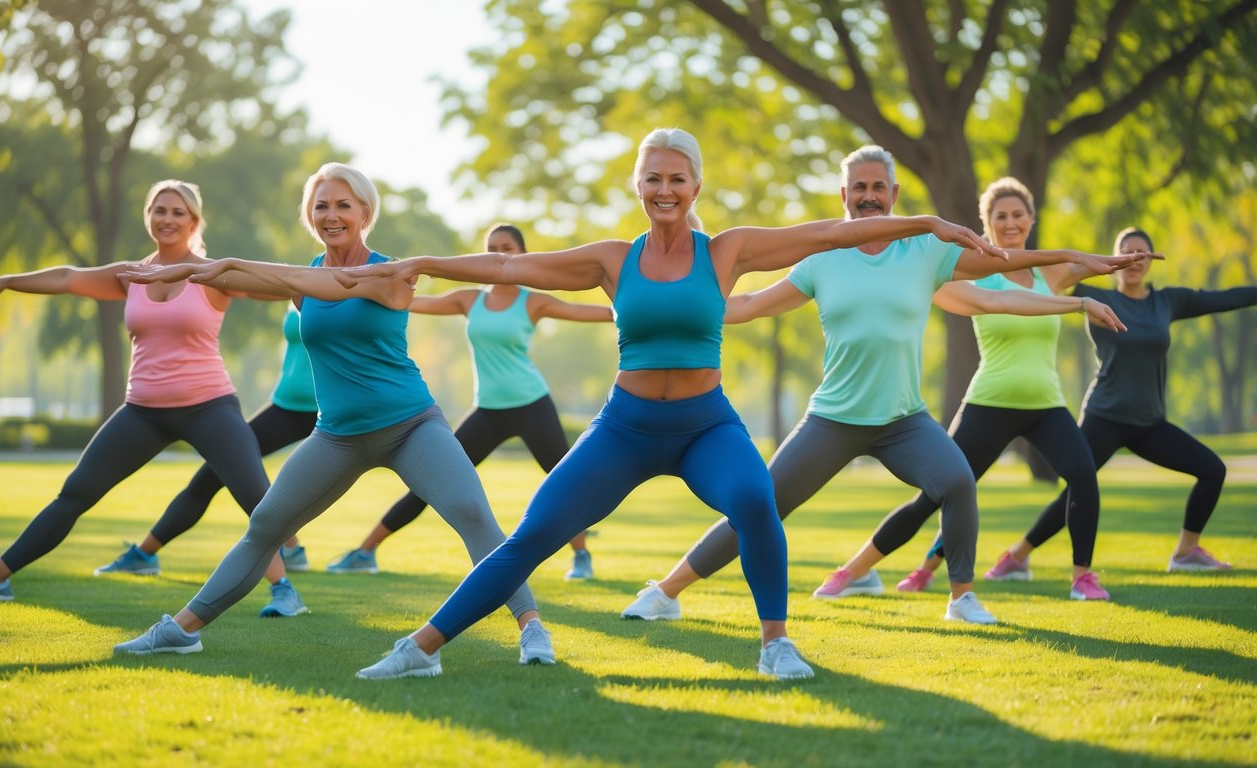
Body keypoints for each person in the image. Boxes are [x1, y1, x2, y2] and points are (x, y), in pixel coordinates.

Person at [347, 129, 1008, 682]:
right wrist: (428, 262)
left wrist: (924, 222)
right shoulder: (612, 259)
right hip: (626, 428)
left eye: (676, 179)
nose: (664, 191)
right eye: (652, 179)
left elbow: (830, 233)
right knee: (533, 534)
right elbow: (507, 271)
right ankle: (420, 650)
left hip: (704, 426)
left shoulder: (727, 251)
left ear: (695, 188)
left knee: (754, 498)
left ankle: (774, 643)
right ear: (638, 187)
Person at [618, 146, 1144, 626]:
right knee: (758, 505)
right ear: (843, 197)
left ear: (893, 196)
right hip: (834, 419)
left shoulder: (923, 252)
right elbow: (752, 305)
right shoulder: (822, 258)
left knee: (958, 482)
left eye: (878, 188)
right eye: (858, 189)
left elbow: (1002, 274)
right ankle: (666, 591)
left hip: (903, 420)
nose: (869, 197)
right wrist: (669, 308)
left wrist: (1074, 267)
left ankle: (962, 597)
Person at [112, 163, 554, 667]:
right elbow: (278, 279)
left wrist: (216, 265)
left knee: (474, 515)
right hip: (337, 436)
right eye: (321, 205)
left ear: (365, 212)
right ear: (309, 215)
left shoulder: (392, 273)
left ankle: (532, 628)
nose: (332, 214)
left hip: (412, 426)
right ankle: (181, 630)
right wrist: (192, 268)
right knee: (265, 526)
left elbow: (339, 284)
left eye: (344, 205)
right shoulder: (303, 279)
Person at [0, 180, 305, 618]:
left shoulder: (212, 273)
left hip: (209, 406)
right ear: (148, 216)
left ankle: (284, 590)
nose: (167, 219)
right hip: (143, 410)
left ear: (194, 221)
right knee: (75, 492)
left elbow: (281, 284)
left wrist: (335, 280)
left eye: (177, 212)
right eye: (159, 210)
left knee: (256, 499)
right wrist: (8, 281)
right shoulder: (131, 274)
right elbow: (68, 278)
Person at [833, 177, 1140, 604]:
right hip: (989, 403)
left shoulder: (1049, 274)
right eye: (1000, 216)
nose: (1010, 223)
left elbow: (1095, 263)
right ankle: (861, 569)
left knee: (1084, 477)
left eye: (1018, 215)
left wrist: (1127, 259)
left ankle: (1082, 577)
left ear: (1031, 220)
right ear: (986, 224)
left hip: (1046, 403)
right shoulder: (973, 276)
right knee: (936, 494)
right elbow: (931, 286)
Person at [327, 223, 613, 581]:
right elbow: (412, 302)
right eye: (492, 247)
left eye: (507, 247)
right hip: (488, 411)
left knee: (563, 481)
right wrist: (366, 289)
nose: (499, 253)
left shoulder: (533, 300)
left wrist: (633, 309)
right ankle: (365, 552)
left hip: (532, 406)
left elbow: (591, 313)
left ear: (523, 255)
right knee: (429, 480)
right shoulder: (470, 300)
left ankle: (581, 556)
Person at [978, 225, 1256, 577]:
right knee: (1078, 490)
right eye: (1129, 252)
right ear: (1115, 259)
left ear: (1153, 259)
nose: (1136, 260)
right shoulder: (1093, 295)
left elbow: (1222, 298)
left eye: (1143, 253)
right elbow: (1048, 276)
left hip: (1149, 423)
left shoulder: (1166, 302)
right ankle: (1016, 557)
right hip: (1104, 418)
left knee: (1213, 470)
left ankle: (1186, 552)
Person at [93, 303, 317, 579]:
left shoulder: (357, 279)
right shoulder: (302, 277)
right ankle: (143, 554)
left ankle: (305, 551)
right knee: (212, 474)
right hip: (287, 406)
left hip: (335, 409)